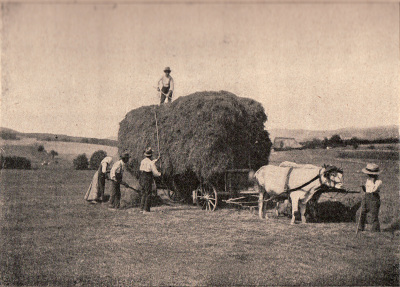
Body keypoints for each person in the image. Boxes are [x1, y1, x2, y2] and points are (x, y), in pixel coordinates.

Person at [358, 163, 382, 232]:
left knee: (374, 215)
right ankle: (360, 228)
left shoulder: (378, 181)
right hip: (366, 197)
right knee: (361, 212)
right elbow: (367, 190)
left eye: (370, 174)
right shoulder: (368, 180)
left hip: (374, 198)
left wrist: (372, 182)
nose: (368, 175)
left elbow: (373, 190)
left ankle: (375, 230)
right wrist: (363, 187)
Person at [139, 147, 161, 213]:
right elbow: (155, 173)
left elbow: (146, 165)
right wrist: (160, 174)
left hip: (142, 177)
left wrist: (157, 159)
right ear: (151, 155)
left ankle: (141, 209)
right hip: (148, 178)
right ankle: (146, 209)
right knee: (148, 193)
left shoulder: (143, 161)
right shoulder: (151, 163)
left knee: (143, 193)